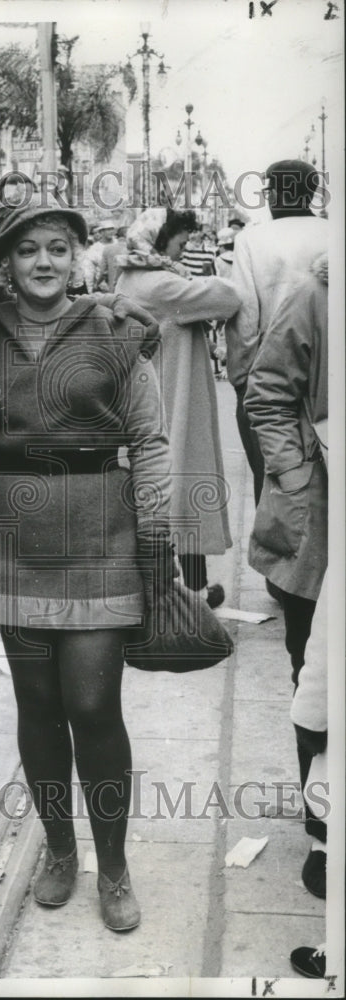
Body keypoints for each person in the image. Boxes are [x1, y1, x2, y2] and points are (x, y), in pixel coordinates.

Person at [0, 192, 170, 932]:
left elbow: (148, 438)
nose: (44, 262)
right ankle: (58, 850)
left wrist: (155, 536)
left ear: (78, 256)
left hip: (100, 535)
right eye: (27, 250)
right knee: (37, 706)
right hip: (11, 540)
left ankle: (112, 866)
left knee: (91, 705)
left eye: (57, 247)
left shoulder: (111, 328)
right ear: (5, 265)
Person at [244, 254, 328, 899]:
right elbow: (267, 395)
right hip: (324, 527)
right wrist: (298, 477)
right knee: (318, 683)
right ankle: (325, 831)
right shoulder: (314, 293)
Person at [116, 207, 241, 605]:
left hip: (160, 396)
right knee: (182, 488)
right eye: (181, 242)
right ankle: (187, 593)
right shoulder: (157, 284)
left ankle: (190, 588)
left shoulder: (136, 277)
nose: (185, 250)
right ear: (159, 240)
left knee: (176, 490)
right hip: (170, 402)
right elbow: (229, 296)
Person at [224, 159, 327, 507]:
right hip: (328, 378)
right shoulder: (334, 234)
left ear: (273, 194)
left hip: (271, 383)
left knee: (273, 486)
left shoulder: (252, 239)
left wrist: (242, 380)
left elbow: (245, 316)